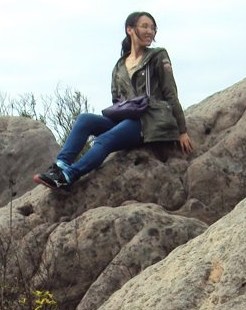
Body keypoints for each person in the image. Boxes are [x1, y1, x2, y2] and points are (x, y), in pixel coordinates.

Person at [34, 11, 192, 190]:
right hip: (128, 119)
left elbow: (170, 92)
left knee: (104, 140)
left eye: (153, 28)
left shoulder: (157, 56)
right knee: (85, 119)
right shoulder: (119, 66)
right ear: (130, 30)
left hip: (150, 120)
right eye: (145, 26)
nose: (150, 31)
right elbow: (117, 100)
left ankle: (69, 176)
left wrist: (182, 130)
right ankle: (60, 167)